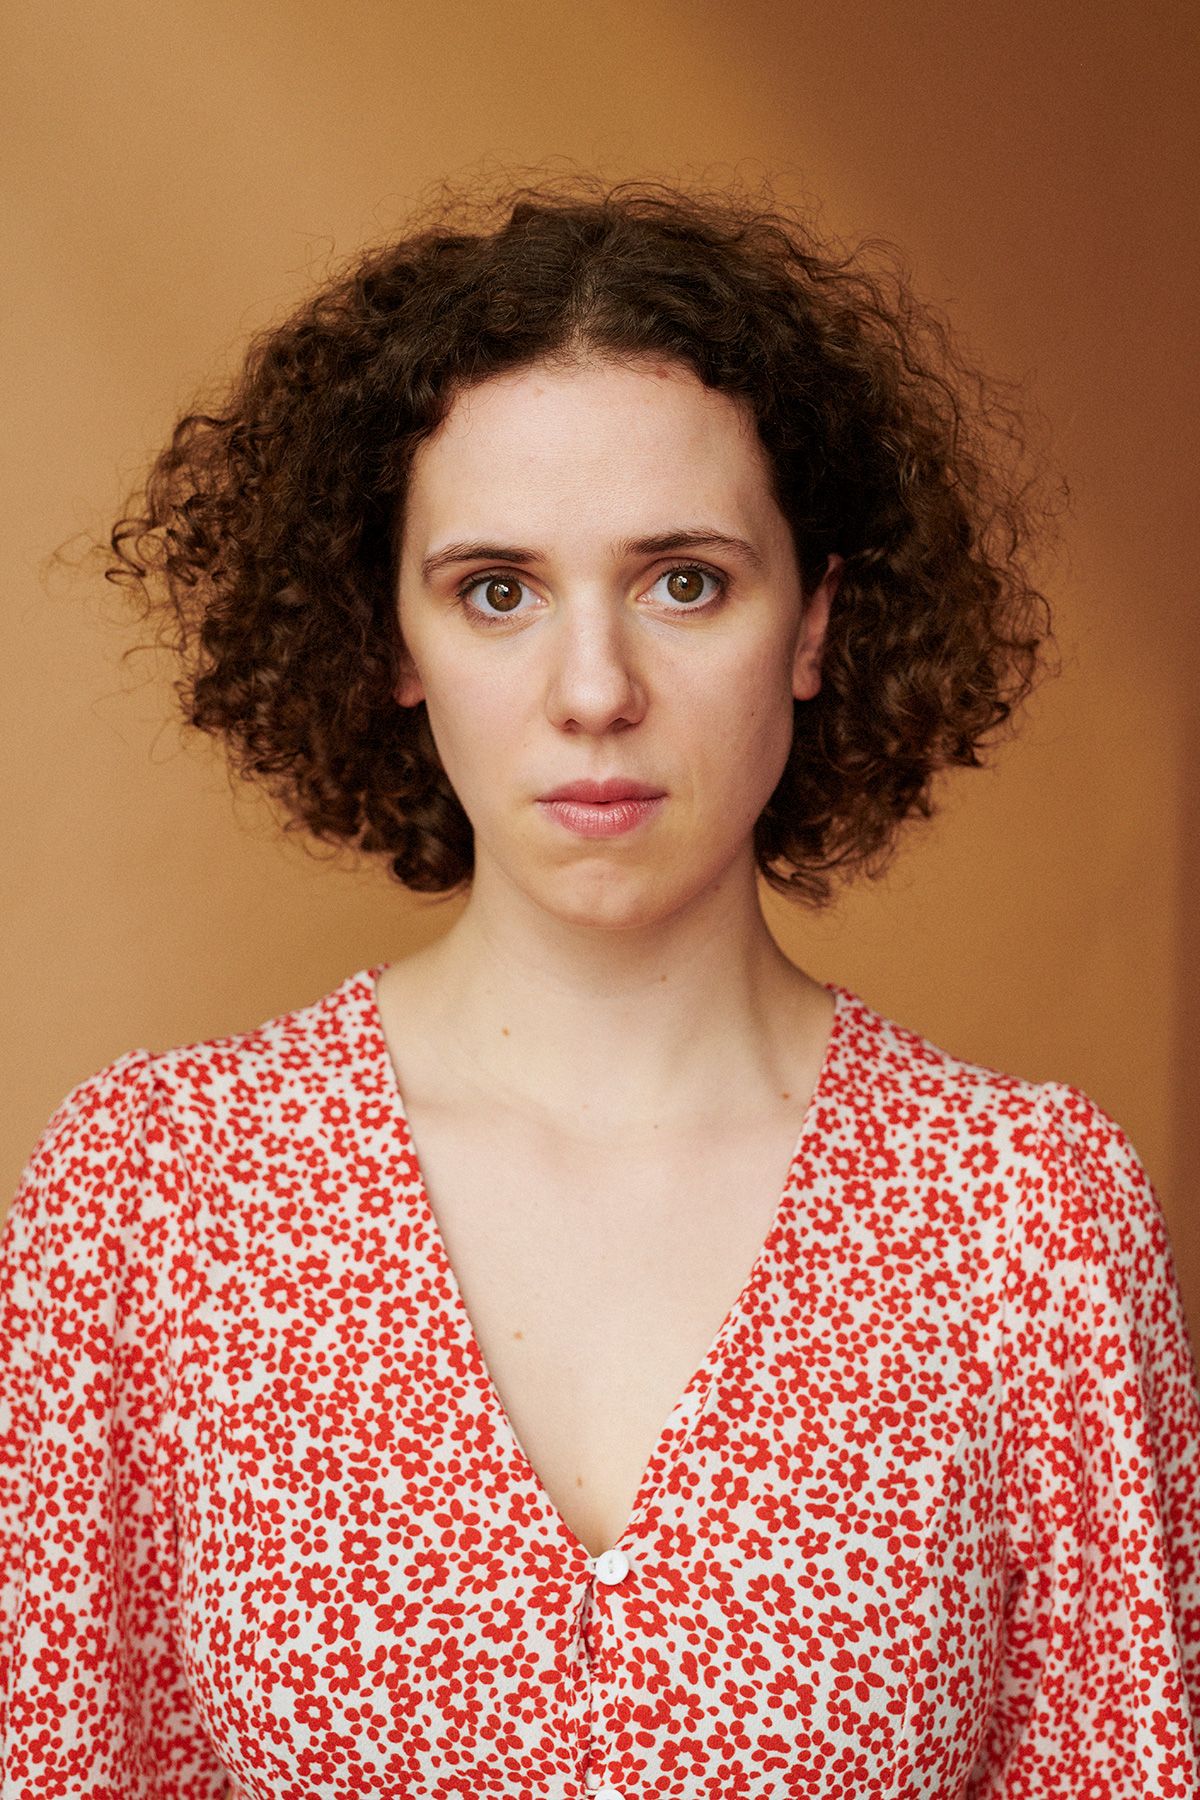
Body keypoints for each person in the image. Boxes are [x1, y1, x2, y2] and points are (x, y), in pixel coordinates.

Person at [2, 173, 1198, 1798]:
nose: (592, 691)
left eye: (683, 580)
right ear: (394, 638)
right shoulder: (147, 1203)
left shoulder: (1028, 1227)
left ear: (815, 624)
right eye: (496, 590)